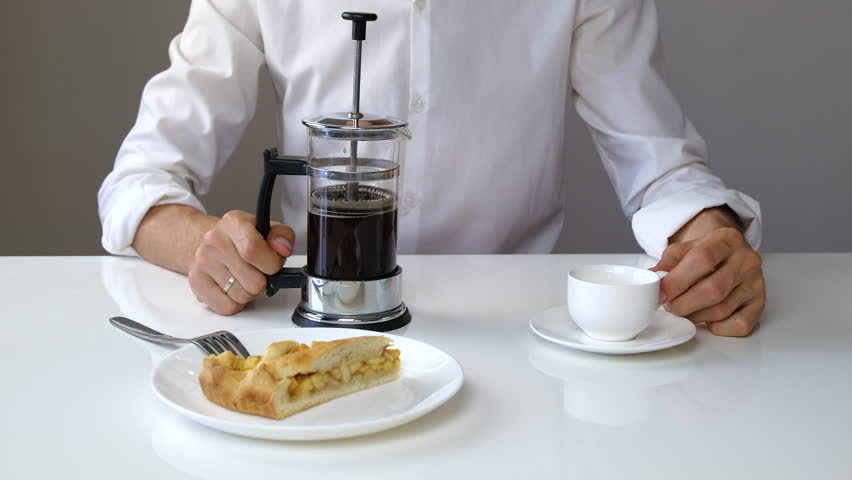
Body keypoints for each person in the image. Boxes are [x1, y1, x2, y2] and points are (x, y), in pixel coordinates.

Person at [98, 0, 765, 336]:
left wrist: (711, 239)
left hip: (516, 338)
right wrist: (205, 249)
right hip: (311, 336)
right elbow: (138, 186)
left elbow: (662, 171)